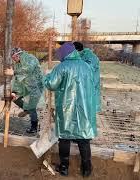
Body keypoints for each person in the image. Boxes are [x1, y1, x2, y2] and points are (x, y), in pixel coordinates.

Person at [44, 42, 97, 177]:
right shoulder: (87, 66)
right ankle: (86, 169)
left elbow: (51, 84)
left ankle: (64, 168)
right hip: (84, 108)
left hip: (66, 108)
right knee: (84, 138)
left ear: (64, 54)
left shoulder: (62, 67)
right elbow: (94, 85)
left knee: (65, 138)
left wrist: (46, 77)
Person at [5, 47, 44, 134]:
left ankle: (34, 127)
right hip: (26, 85)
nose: (14, 60)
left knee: (32, 107)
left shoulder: (30, 58)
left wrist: (14, 72)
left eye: (14, 57)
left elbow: (28, 70)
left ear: (19, 54)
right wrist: (14, 91)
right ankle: (27, 110)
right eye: (12, 58)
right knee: (14, 98)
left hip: (35, 86)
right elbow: (18, 79)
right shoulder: (18, 64)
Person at [73, 42, 101, 112]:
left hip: (90, 85)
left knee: (89, 109)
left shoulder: (90, 57)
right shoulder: (82, 56)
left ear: (77, 50)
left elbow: (87, 69)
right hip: (85, 85)